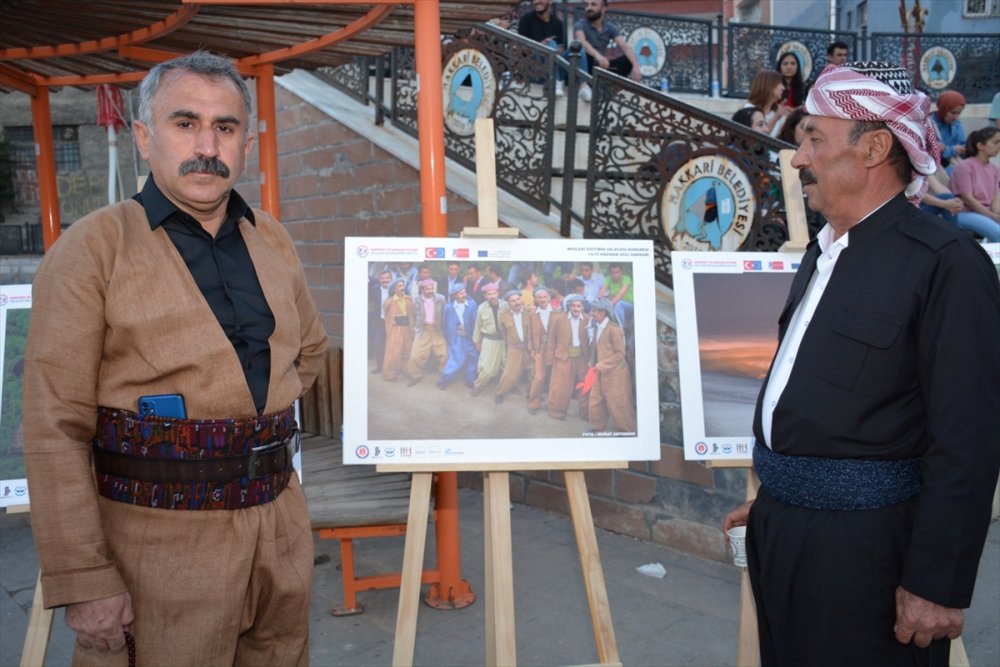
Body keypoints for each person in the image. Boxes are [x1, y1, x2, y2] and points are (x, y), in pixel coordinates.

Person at [23, 51, 329, 665]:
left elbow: (310, 350)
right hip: (156, 550)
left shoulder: (271, 238)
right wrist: (85, 577)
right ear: (143, 137)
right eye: (185, 123)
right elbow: (54, 427)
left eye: (226, 127)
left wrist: (248, 414)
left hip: (277, 530)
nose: (207, 146)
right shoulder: (92, 250)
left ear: (246, 142)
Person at [723, 61, 1000, 667]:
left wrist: (937, 583)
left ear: (874, 147)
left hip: (872, 556)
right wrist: (785, 498)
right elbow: (835, 405)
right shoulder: (824, 252)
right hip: (790, 533)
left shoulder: (947, 265)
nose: (799, 159)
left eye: (814, 139)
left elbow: (969, 439)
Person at [584, 299, 636, 433]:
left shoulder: (614, 329)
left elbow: (620, 353)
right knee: (596, 400)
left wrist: (601, 365)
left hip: (615, 374)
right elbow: (597, 347)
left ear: (602, 312)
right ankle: (597, 426)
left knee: (618, 402)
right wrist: (592, 363)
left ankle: (626, 429)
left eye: (594, 311)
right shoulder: (597, 327)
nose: (591, 314)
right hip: (599, 371)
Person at [573, 0, 641, 101]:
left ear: (603, 9)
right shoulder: (580, 24)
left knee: (628, 60)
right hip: (588, 63)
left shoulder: (609, 27)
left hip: (601, 65)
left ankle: (612, 87)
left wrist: (636, 66)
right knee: (581, 51)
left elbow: (624, 46)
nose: (589, 8)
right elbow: (582, 42)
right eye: (587, 5)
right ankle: (588, 85)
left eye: (593, 5)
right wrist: (598, 56)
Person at [517, 0, 586, 97]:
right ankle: (556, 82)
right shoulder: (526, 20)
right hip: (534, 67)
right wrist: (541, 46)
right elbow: (522, 50)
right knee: (551, 42)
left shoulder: (557, 23)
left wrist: (555, 49)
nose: (537, 1)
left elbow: (561, 50)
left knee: (578, 48)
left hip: (554, 65)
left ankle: (583, 86)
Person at [948, 126, 1000, 241]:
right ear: (980, 146)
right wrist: (992, 216)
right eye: (996, 142)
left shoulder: (995, 169)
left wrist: (997, 213)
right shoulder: (965, 166)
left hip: (985, 212)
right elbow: (968, 199)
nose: (999, 146)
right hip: (964, 213)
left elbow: (995, 197)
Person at [545, 294, 591, 420]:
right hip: (563, 357)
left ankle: (585, 413)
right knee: (560, 386)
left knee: (585, 385)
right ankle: (556, 412)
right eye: (573, 306)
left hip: (582, 357)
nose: (576, 308)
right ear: (569, 306)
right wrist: (549, 359)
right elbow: (551, 340)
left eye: (579, 306)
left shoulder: (588, 319)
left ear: (582, 307)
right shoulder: (559, 319)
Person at [494, 290, 535, 404]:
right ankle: (500, 393)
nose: (516, 302)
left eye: (518, 299)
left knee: (534, 372)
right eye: (513, 301)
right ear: (508, 303)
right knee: (509, 374)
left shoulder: (529, 311)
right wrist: (510, 343)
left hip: (529, 348)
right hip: (514, 348)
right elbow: (502, 331)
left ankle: (532, 394)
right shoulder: (503, 315)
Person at [405, 278, 448, 386]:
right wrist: (414, 330)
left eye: (431, 288)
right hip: (423, 330)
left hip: (437, 330)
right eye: (427, 289)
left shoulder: (441, 299)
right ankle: (415, 376)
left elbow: (446, 314)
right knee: (415, 356)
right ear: (422, 290)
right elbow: (412, 316)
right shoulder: (415, 300)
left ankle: (444, 374)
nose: (430, 291)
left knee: (445, 354)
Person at [471, 283, 506, 396]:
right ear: (486, 296)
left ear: (498, 293)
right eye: (489, 294)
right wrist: (477, 341)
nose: (492, 296)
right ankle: (479, 386)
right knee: (486, 369)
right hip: (489, 340)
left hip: (505, 341)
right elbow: (478, 326)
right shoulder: (482, 308)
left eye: (494, 293)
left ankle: (508, 386)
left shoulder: (506, 305)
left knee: (506, 365)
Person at [527, 286, 558, 414]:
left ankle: (555, 406)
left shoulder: (558, 312)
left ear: (549, 298)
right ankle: (534, 403)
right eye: (539, 297)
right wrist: (531, 349)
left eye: (545, 297)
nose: (542, 299)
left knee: (555, 378)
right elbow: (529, 333)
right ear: (535, 299)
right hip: (539, 348)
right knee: (539, 377)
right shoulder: (533, 313)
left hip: (554, 349)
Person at [382, 278, 413, 381]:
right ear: (394, 289)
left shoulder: (409, 299)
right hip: (395, 329)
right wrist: (391, 326)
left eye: (403, 286)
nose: (402, 288)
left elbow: (412, 314)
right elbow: (386, 316)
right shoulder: (389, 302)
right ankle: (389, 374)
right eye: (399, 286)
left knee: (407, 350)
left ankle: (406, 369)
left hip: (407, 328)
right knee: (393, 352)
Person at [930, 90, 967, 172]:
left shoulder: (956, 124)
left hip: (954, 163)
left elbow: (962, 143)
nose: (956, 117)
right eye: (953, 113)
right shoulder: (929, 124)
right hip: (937, 167)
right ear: (943, 109)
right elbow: (931, 150)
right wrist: (952, 150)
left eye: (959, 113)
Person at [746, 70, 789, 137]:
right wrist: (776, 117)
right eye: (779, 83)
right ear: (769, 85)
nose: (783, 88)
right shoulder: (748, 109)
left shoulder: (778, 113)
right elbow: (756, 139)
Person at [369, 269, 393, 373]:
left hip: (393, 322)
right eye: (382, 278)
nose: (385, 280)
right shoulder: (375, 289)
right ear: (379, 280)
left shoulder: (395, 289)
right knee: (378, 343)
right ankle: (380, 366)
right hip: (379, 321)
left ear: (391, 279)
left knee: (392, 345)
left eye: (387, 278)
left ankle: (392, 367)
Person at [600, 262, 633, 327]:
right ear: (610, 272)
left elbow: (620, 295)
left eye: (617, 272)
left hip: (630, 304)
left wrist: (609, 305)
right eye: (613, 272)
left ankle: (619, 329)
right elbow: (601, 293)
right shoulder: (607, 279)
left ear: (621, 272)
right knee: (603, 301)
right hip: (614, 304)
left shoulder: (626, 279)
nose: (615, 274)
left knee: (619, 304)